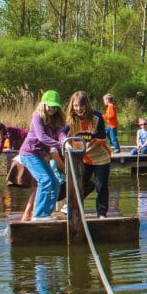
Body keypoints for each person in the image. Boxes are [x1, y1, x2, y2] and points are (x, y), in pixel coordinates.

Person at [18, 91, 67, 221]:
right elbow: (42, 137)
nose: (52, 109)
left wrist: (65, 141)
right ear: (43, 104)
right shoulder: (37, 116)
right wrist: (59, 145)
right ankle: (38, 215)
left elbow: (60, 133)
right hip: (29, 153)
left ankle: (45, 213)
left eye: (55, 107)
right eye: (50, 106)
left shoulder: (56, 118)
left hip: (41, 155)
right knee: (45, 180)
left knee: (55, 182)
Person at [64, 90, 112, 218]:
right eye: (76, 106)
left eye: (81, 105)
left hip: (100, 156)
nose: (79, 109)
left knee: (101, 186)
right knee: (79, 183)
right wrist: (67, 144)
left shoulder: (97, 117)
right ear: (72, 106)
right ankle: (73, 208)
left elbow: (100, 140)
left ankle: (101, 213)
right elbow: (62, 135)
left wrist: (84, 151)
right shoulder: (70, 119)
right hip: (83, 158)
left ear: (87, 104)